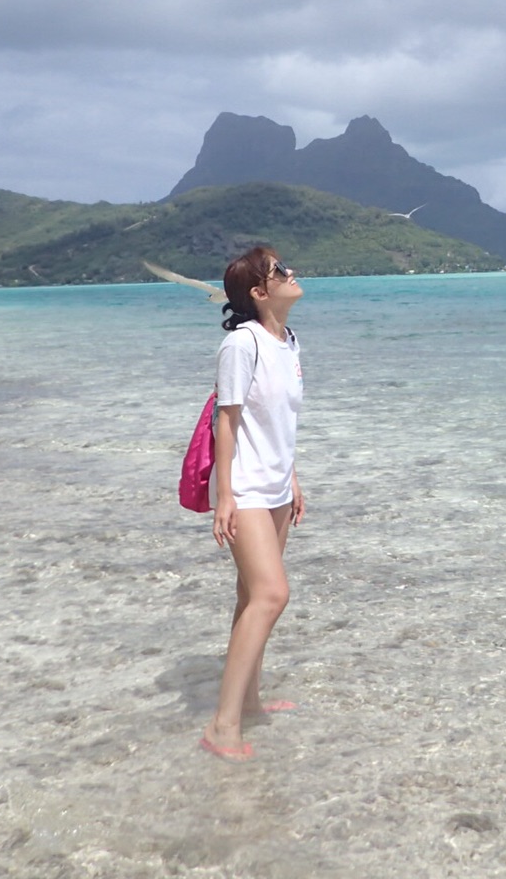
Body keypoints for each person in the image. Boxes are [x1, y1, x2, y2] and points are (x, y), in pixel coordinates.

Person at [202, 245, 306, 761]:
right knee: (271, 595)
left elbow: (280, 421)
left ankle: (249, 705)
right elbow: (229, 419)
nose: (293, 273)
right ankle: (222, 726)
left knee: (250, 600)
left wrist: (293, 478)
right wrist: (224, 495)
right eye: (280, 271)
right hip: (243, 488)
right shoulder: (242, 344)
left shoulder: (288, 341)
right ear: (259, 293)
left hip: (277, 488)